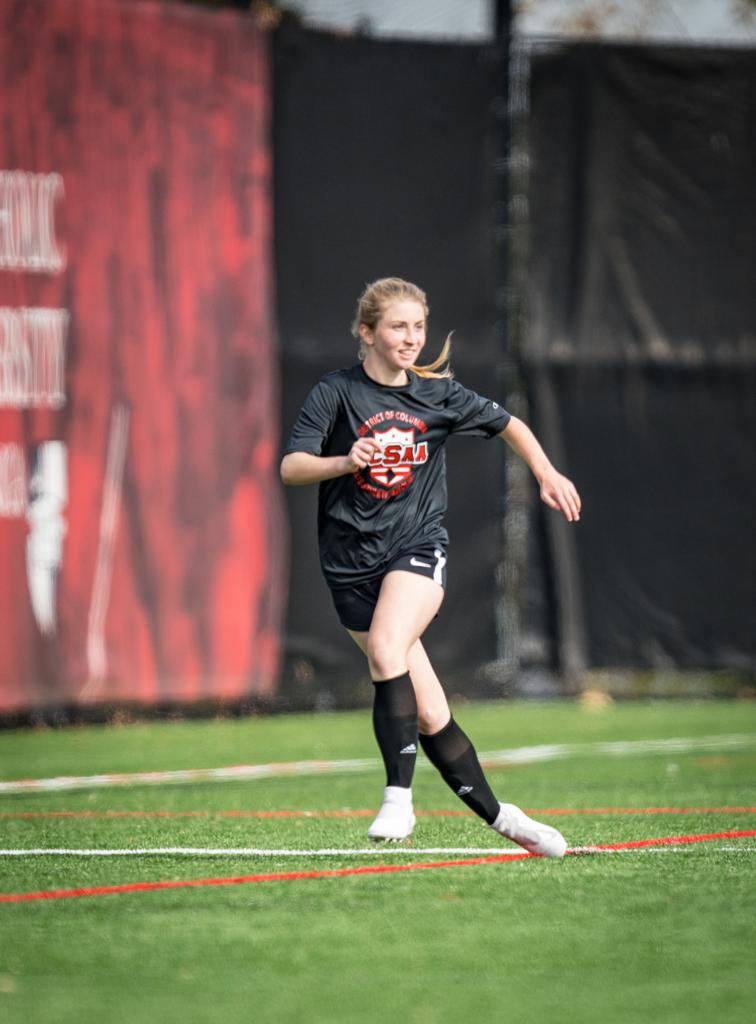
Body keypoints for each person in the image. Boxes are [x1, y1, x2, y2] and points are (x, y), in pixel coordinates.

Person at [280, 277, 581, 857]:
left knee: (387, 650)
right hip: (350, 568)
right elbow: (292, 466)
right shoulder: (335, 392)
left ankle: (398, 796)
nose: (411, 338)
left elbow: (508, 424)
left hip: (416, 550)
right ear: (366, 332)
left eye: (418, 326)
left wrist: (546, 473)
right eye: (397, 326)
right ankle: (506, 820)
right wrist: (344, 460)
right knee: (430, 715)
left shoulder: (438, 394)